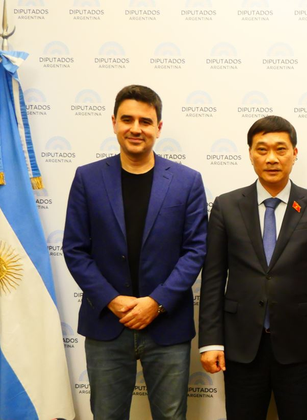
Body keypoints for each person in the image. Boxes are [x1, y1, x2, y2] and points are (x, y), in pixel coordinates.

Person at [63, 85, 207, 419]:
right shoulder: (88, 178)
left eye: (145, 120)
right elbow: (75, 249)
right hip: (106, 324)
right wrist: (112, 299)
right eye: (127, 119)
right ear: (114, 123)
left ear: (159, 127)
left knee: (171, 416)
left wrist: (156, 303)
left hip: (167, 324)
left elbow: (195, 250)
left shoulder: (187, 182)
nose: (135, 128)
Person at [198, 115, 307, 420]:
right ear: (250, 153)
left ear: (295, 153)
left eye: (281, 149)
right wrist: (210, 340)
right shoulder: (226, 206)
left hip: (301, 347)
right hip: (241, 346)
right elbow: (212, 279)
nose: (272, 158)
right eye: (262, 149)